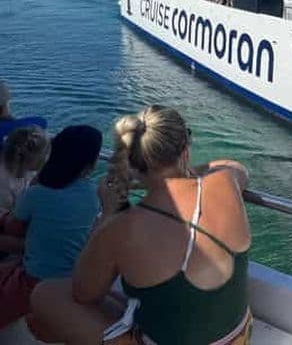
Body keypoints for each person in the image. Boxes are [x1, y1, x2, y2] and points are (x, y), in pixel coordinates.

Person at [31, 105, 252, 345]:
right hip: (238, 337)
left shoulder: (122, 228)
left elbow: (83, 293)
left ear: (132, 162)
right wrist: (179, 175)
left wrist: (108, 214)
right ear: (185, 151)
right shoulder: (225, 180)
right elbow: (235, 166)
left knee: (46, 295)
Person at [0, 125, 101, 328]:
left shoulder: (37, 193)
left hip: (36, 279)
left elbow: (12, 229)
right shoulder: (94, 194)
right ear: (90, 166)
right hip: (74, 276)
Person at [0, 126, 50, 211]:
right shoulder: (4, 185)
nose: (46, 158)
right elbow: (10, 213)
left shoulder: (27, 169)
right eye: (44, 154)